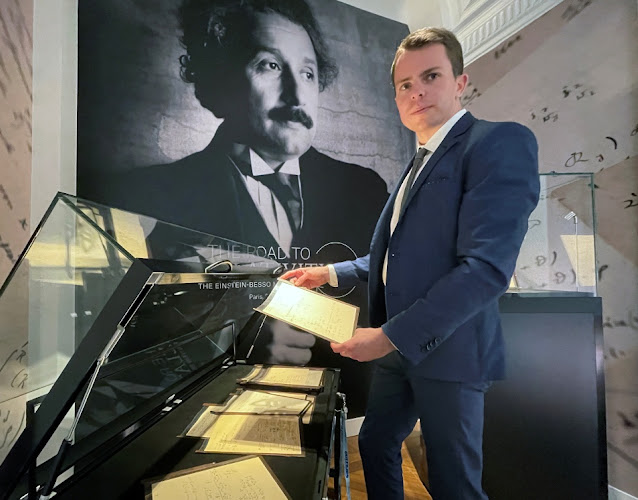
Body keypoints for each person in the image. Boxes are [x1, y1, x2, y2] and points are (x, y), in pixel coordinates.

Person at [281, 27, 540, 499]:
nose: (416, 91)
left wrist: (386, 336)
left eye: (431, 76)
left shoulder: (497, 143)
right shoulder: (416, 161)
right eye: (404, 85)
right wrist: (330, 272)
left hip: (451, 351)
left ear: (460, 82)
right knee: (377, 441)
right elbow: (393, 259)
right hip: (400, 349)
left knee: (454, 484)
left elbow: (484, 271)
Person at [85, 0, 390, 371]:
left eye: (308, 73)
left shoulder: (364, 189)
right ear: (219, 78)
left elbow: (385, 300)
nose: (297, 94)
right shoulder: (149, 199)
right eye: (270, 66)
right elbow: (137, 335)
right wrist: (250, 340)